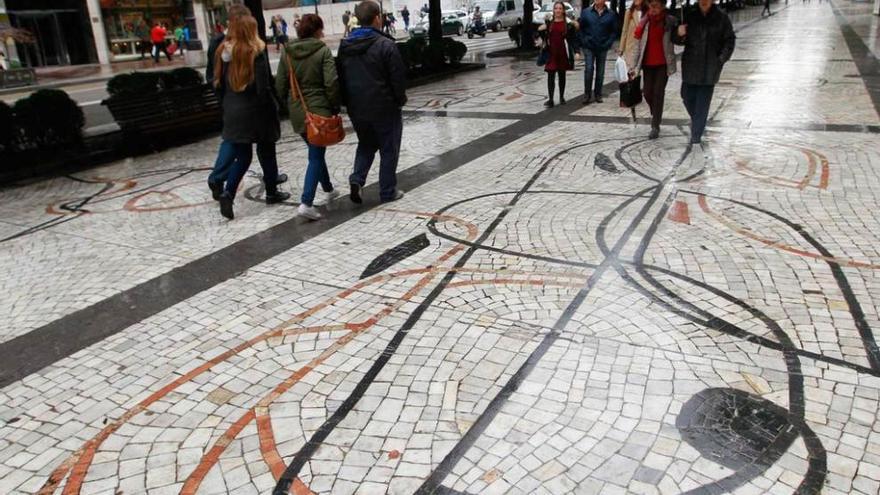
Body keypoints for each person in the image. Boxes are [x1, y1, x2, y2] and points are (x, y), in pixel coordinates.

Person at [205, 4, 289, 207]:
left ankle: (227, 191)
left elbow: (216, 79)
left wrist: (226, 102)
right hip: (256, 111)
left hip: (232, 108)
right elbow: (262, 87)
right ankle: (270, 190)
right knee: (265, 148)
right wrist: (275, 106)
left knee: (241, 154)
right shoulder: (255, 51)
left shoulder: (222, 50)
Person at [337, 0, 407, 204]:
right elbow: (397, 78)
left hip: (357, 107)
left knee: (366, 144)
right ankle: (387, 191)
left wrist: (346, 102)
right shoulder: (386, 45)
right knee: (388, 147)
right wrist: (399, 100)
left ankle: (357, 179)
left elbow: (340, 76)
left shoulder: (346, 45)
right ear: (377, 18)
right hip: (384, 106)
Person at [276, 14, 342, 220]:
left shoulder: (286, 52)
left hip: (298, 112)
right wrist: (333, 106)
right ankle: (306, 202)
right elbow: (331, 83)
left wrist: (288, 105)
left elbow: (280, 85)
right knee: (315, 155)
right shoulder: (322, 51)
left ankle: (329, 189)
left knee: (316, 151)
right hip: (319, 111)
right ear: (317, 30)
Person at [674, 0, 735, 146]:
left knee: (702, 102)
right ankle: (698, 122)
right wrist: (679, 33)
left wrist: (720, 59)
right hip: (691, 65)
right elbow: (677, 40)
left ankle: (696, 135)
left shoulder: (721, 17)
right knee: (686, 95)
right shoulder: (689, 14)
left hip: (710, 67)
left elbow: (729, 41)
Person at [632, 0, 677, 139]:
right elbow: (638, 44)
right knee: (647, 92)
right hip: (647, 63)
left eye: (656, 6)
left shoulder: (668, 21)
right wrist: (633, 66)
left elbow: (677, 38)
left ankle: (655, 125)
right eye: (651, 6)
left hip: (663, 64)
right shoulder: (645, 22)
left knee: (658, 92)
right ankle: (655, 111)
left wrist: (679, 30)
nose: (653, 9)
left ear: (663, 7)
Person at [538, 2, 579, 107]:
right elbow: (542, 34)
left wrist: (576, 52)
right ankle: (551, 99)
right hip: (551, 53)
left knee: (562, 75)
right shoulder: (549, 23)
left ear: (563, 11)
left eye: (560, 8)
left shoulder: (568, 25)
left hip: (563, 52)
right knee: (550, 75)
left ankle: (561, 97)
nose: (558, 10)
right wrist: (540, 31)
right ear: (553, 10)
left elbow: (573, 39)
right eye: (556, 8)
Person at [579, 0, 617, 104]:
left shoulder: (611, 14)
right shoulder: (586, 12)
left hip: (602, 46)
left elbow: (614, 32)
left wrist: (608, 43)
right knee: (589, 69)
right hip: (589, 46)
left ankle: (598, 94)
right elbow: (581, 29)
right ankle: (587, 94)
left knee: (600, 72)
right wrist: (584, 41)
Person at [618, 0, 646, 74]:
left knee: (640, 72)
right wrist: (621, 48)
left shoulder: (648, 13)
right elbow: (625, 31)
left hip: (643, 46)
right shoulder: (629, 12)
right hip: (631, 46)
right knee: (630, 72)